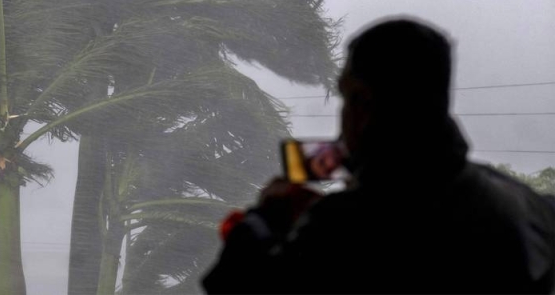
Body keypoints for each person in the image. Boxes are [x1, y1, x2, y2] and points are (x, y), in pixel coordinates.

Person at [201, 16, 555, 294]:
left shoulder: (342, 226)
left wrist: (266, 217)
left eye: (347, 96)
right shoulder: (520, 201)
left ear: (364, 105)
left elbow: (232, 283)